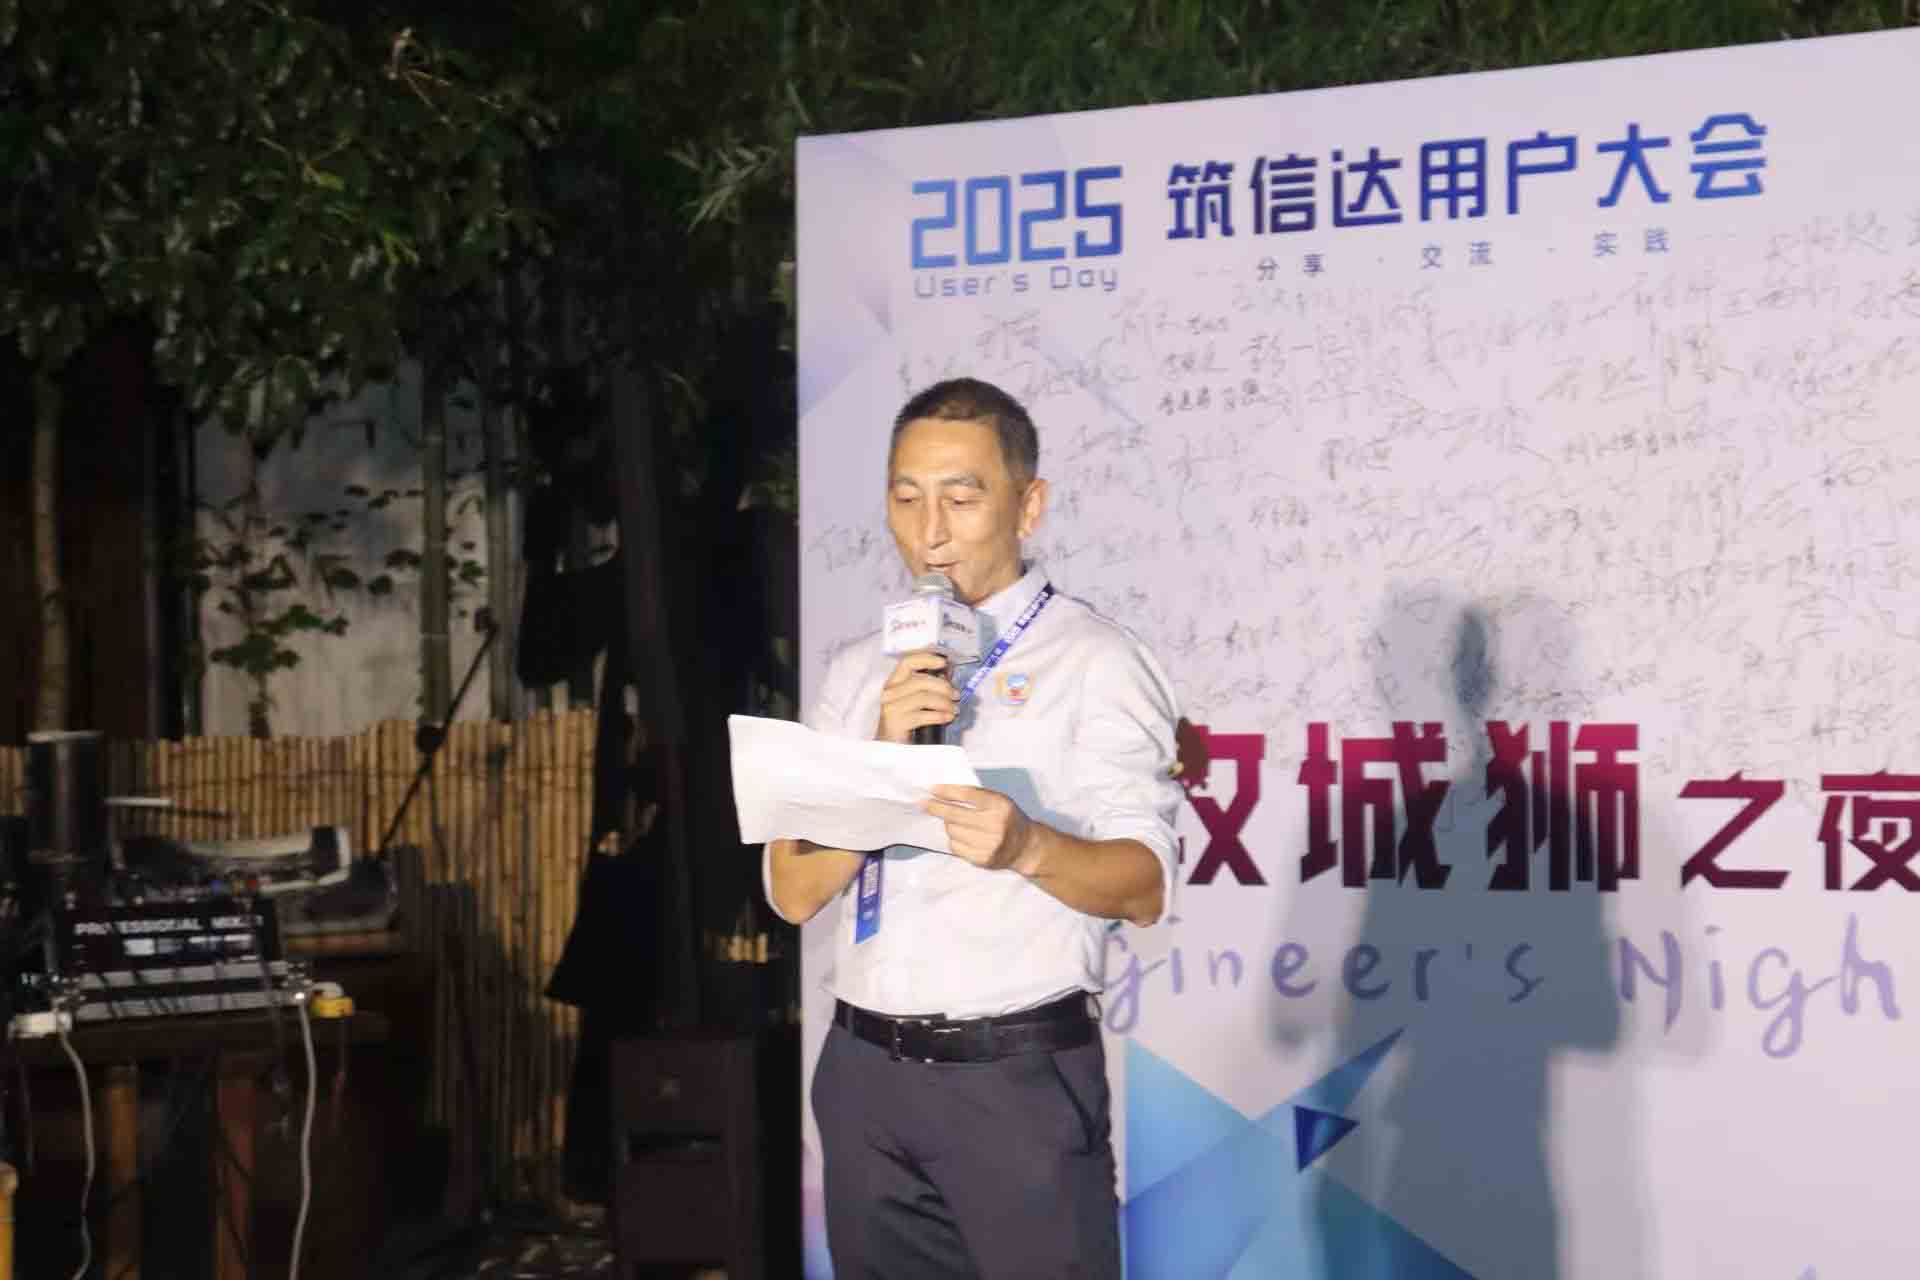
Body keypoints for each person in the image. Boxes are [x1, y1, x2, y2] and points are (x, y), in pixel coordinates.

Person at [764, 377, 1182, 1277]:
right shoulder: (860, 672)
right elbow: (793, 889)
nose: (931, 530)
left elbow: (1145, 887)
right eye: (906, 497)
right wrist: (882, 755)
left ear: (1028, 506)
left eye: (961, 497)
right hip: (863, 1076)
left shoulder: (1096, 661)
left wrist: (1029, 846)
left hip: (1013, 1080)